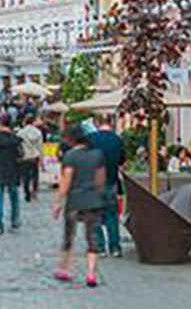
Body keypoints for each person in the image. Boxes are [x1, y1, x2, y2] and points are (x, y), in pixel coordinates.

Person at [54, 121, 107, 288]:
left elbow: (66, 181)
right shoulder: (97, 154)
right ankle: (91, 274)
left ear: (70, 139)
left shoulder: (70, 156)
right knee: (92, 238)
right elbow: (101, 179)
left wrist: (58, 202)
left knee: (69, 235)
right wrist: (97, 193)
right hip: (93, 200)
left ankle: (64, 268)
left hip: (74, 201)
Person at [90, 119, 127, 258]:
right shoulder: (117, 140)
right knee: (112, 216)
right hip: (111, 182)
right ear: (111, 127)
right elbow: (122, 160)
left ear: (99, 126)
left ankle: (100, 247)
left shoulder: (91, 139)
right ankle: (115, 247)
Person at [0, 112, 24, 234]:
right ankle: (14, 221)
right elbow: (21, 154)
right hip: (13, 171)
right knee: (14, 198)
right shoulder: (15, 139)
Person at [18, 114, 45, 203]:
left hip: (25, 156)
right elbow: (40, 147)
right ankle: (34, 192)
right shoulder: (38, 132)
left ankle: (27, 193)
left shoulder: (21, 133)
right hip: (35, 156)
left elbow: (19, 146)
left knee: (25, 176)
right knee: (35, 175)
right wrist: (41, 158)